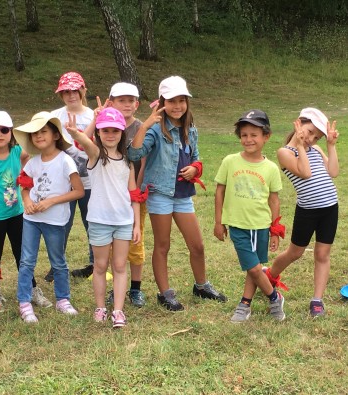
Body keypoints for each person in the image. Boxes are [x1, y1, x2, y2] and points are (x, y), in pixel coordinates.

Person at [128, 76, 226, 311]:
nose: (177, 105)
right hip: (160, 193)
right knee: (163, 245)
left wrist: (196, 168)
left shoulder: (190, 129)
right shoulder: (155, 130)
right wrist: (145, 125)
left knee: (197, 245)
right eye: (172, 100)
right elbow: (134, 154)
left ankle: (201, 286)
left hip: (182, 194)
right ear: (162, 102)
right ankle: (165, 293)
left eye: (182, 100)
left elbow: (196, 157)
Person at [66, 107, 141, 328]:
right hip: (99, 220)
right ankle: (100, 307)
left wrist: (136, 224)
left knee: (119, 266)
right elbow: (82, 141)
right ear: (98, 133)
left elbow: (134, 194)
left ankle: (118, 310)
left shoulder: (128, 162)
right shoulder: (96, 156)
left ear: (122, 133)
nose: (110, 134)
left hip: (123, 222)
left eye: (115, 131)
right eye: (105, 130)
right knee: (100, 266)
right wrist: (75, 131)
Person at [265, 108, 339, 318]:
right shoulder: (285, 153)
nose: (311, 139)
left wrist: (330, 146)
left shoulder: (316, 149)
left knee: (322, 254)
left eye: (316, 137)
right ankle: (269, 277)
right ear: (298, 124)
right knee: (295, 253)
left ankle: (317, 300)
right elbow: (305, 174)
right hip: (307, 211)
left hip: (330, 208)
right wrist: (299, 144)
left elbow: (333, 172)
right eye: (309, 132)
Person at [0, 110, 52, 313]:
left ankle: (32, 289)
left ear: (11, 133)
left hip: (17, 214)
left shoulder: (18, 153)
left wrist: (41, 123)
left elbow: (35, 145)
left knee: (23, 254)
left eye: (5, 130)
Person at [214, 110, 286, 323]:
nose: (248, 139)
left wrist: (274, 229)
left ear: (266, 136)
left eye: (254, 134)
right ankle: (274, 296)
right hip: (237, 224)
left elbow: (274, 200)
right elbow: (219, 191)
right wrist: (218, 222)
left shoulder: (271, 168)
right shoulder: (230, 161)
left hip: (260, 225)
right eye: (244, 134)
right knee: (253, 267)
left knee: (253, 267)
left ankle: (245, 303)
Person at [13, 112, 84, 323]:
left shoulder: (65, 161)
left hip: (55, 220)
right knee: (27, 261)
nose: (38, 136)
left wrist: (51, 201)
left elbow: (79, 191)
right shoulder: (33, 162)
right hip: (32, 220)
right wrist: (26, 201)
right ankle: (24, 303)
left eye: (43, 131)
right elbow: (24, 184)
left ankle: (63, 299)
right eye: (35, 134)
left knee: (58, 262)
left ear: (55, 135)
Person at [44, 71, 95, 281]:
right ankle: (57, 265)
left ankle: (96, 263)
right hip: (62, 181)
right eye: (66, 91)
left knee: (92, 221)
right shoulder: (55, 116)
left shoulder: (93, 115)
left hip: (91, 180)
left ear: (83, 90)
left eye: (75, 90)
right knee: (61, 223)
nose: (71, 95)